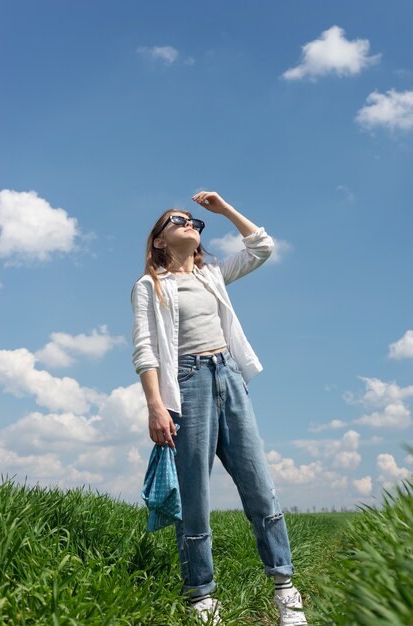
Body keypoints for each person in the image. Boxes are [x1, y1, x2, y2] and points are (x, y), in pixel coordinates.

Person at [131, 191, 307, 625]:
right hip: (187, 387)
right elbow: (145, 351)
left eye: (195, 222)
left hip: (229, 376)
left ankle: (285, 588)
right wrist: (156, 406)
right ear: (158, 241)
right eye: (178, 220)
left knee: (260, 487)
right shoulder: (149, 286)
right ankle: (201, 594)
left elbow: (261, 247)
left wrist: (224, 209)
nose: (191, 224)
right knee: (195, 496)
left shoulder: (213, 275)